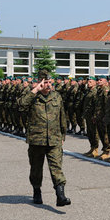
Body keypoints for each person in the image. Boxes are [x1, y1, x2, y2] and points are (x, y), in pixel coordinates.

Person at [18, 70, 70, 207]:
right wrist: (35, 90)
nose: (48, 85)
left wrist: (63, 134)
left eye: (49, 82)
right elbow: (21, 105)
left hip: (54, 139)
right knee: (36, 169)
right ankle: (36, 190)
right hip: (37, 139)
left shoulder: (56, 96)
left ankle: (60, 195)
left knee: (56, 167)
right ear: (39, 82)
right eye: (45, 82)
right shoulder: (31, 95)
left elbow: (62, 116)